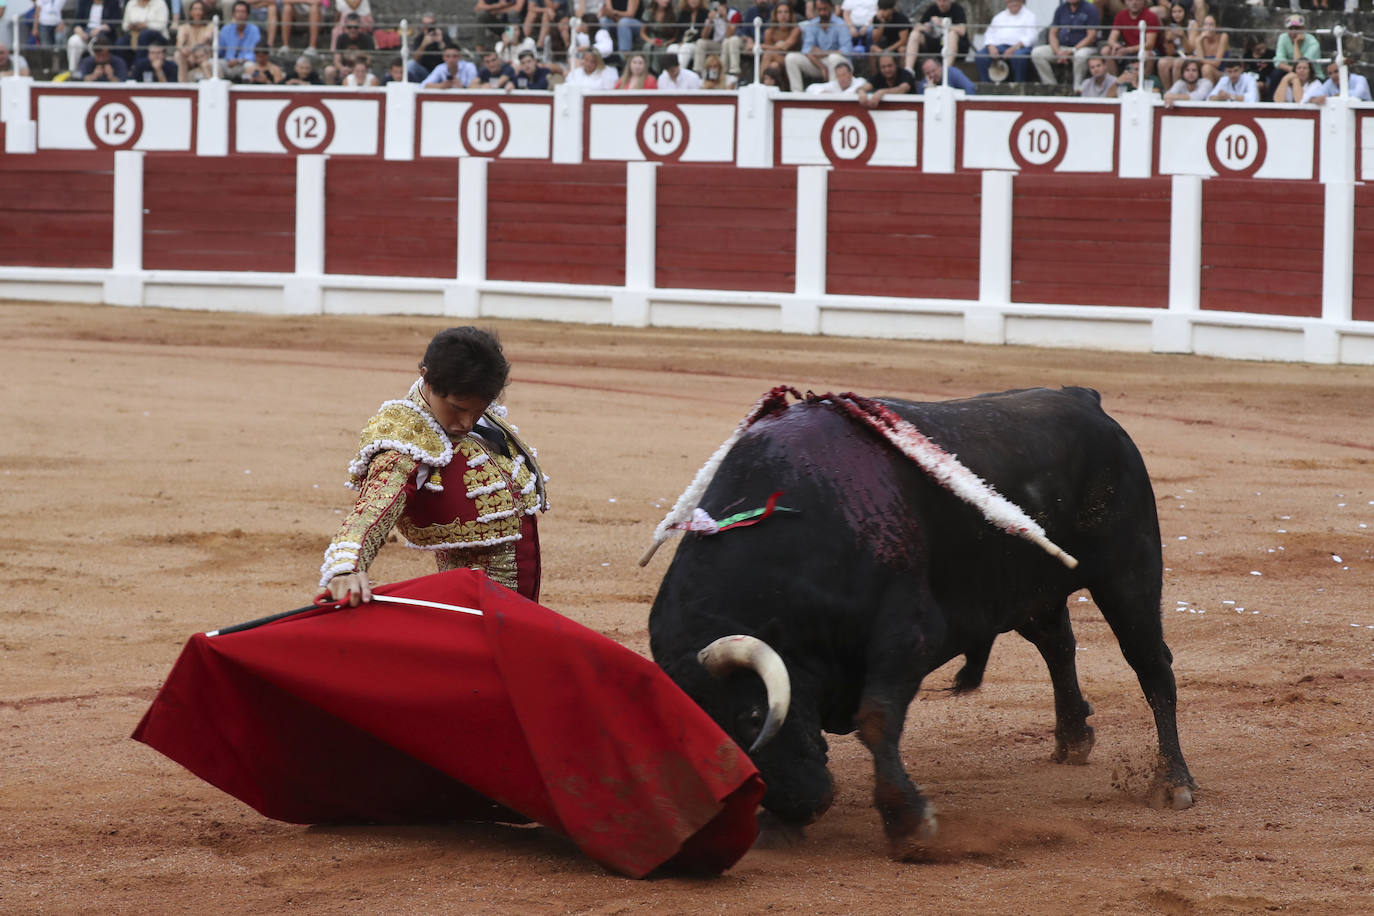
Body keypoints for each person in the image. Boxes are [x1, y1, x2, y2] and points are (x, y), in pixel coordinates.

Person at [319, 327, 549, 606]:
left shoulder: (475, 406)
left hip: (512, 596)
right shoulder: (406, 439)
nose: (466, 423)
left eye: (477, 410)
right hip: (475, 604)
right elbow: (373, 507)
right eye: (457, 408)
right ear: (427, 379)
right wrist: (346, 566)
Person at [784, 0, 851, 93]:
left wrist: (822, 53)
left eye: (824, 9)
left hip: (837, 63)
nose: (822, 12)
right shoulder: (813, 24)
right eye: (819, 10)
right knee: (791, 58)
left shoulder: (840, 23)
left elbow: (846, 50)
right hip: (817, 62)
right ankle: (797, 93)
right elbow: (807, 49)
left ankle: (833, 94)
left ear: (831, 8)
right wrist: (822, 67)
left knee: (834, 58)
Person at [1031, 0, 1099, 90]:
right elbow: (1052, 33)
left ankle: (1077, 88)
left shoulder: (1091, 9)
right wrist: (1058, 51)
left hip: (1083, 47)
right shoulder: (1061, 9)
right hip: (1062, 47)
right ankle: (1051, 86)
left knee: (1080, 55)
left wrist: (1073, 50)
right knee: (1037, 53)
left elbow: (1091, 36)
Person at [975, 0, 1036, 84]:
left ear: (1021, 1)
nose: (1013, 3)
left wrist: (1014, 48)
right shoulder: (999, 17)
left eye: (1016, 1)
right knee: (981, 55)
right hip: (998, 47)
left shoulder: (1029, 16)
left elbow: (1031, 37)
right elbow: (989, 34)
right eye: (1010, 1)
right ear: (1006, 3)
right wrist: (991, 46)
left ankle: (1018, 85)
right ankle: (986, 85)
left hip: (1019, 48)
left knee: (1018, 56)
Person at [1101, 0, 1157, 76]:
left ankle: (1146, 81)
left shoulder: (1150, 16)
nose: (1134, 2)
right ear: (1125, 2)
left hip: (1146, 50)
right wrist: (1116, 46)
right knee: (1106, 50)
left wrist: (1127, 50)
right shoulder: (1121, 15)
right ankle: (1115, 82)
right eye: (1130, 0)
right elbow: (1111, 39)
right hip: (1127, 49)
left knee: (1147, 54)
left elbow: (1149, 44)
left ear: (1144, 1)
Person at [1269, 14, 1318, 99]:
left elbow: (1302, 63)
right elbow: (1279, 61)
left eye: (1297, 28)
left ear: (1303, 29)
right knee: (1276, 74)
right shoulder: (1283, 38)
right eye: (1291, 29)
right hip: (1292, 70)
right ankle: (1271, 102)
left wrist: (1296, 44)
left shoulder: (1313, 42)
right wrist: (1293, 70)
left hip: (1310, 72)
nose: (1294, 32)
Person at [68, 0, 124, 74]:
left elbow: (115, 22)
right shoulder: (84, 2)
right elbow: (77, 22)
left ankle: (97, 70)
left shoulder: (112, 2)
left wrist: (99, 29)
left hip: (102, 34)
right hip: (85, 33)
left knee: (96, 45)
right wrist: (81, 33)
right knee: (73, 41)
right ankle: (72, 71)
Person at [695, 0, 740, 78]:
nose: (717, 7)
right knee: (700, 42)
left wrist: (725, 18)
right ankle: (698, 73)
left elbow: (730, 35)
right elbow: (703, 36)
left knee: (727, 41)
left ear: (725, 4)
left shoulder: (734, 14)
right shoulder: (712, 13)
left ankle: (724, 73)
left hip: (730, 43)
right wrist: (710, 21)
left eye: (720, 4)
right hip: (717, 44)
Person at [758, 1, 799, 84]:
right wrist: (772, 48)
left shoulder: (796, 30)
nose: (783, 15)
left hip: (790, 61)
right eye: (780, 12)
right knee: (774, 65)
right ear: (775, 15)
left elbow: (784, 47)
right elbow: (767, 54)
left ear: (790, 14)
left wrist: (759, 46)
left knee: (769, 53)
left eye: (786, 12)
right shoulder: (769, 32)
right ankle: (770, 86)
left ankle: (760, 82)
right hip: (776, 63)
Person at [218, 0, 260, 79]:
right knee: (213, 63)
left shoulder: (254, 30)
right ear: (233, 14)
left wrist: (239, 61)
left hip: (244, 64)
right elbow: (220, 52)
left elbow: (255, 53)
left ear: (247, 14)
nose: (240, 14)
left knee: (250, 65)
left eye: (243, 12)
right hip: (228, 64)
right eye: (237, 11)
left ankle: (247, 89)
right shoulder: (226, 29)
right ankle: (219, 88)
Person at [1152, 1, 1187, 90]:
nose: (1177, 15)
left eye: (1180, 11)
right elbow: (1170, 53)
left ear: (1185, 12)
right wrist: (1169, 41)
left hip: (1190, 55)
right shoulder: (1169, 27)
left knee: (1177, 63)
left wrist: (1183, 37)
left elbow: (1191, 50)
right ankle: (1167, 91)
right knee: (1162, 62)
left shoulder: (1192, 24)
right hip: (1177, 55)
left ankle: (1176, 91)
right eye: (1174, 12)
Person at [1309, 57, 1374, 104]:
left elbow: (1358, 94)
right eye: (1330, 73)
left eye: (1336, 71)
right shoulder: (1330, 82)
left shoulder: (1360, 79)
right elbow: (1315, 95)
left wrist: (1337, 96)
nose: (1333, 76)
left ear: (1345, 70)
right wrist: (1314, 99)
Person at [1186, 14, 1226, 84]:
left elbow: (1217, 63)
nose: (1208, 27)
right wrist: (1198, 41)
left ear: (1217, 27)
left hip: (1222, 73)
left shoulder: (1223, 36)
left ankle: (1211, 94)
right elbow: (1199, 62)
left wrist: (1198, 59)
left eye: (1211, 25)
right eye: (1205, 24)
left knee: (1206, 68)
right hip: (1204, 73)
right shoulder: (1199, 39)